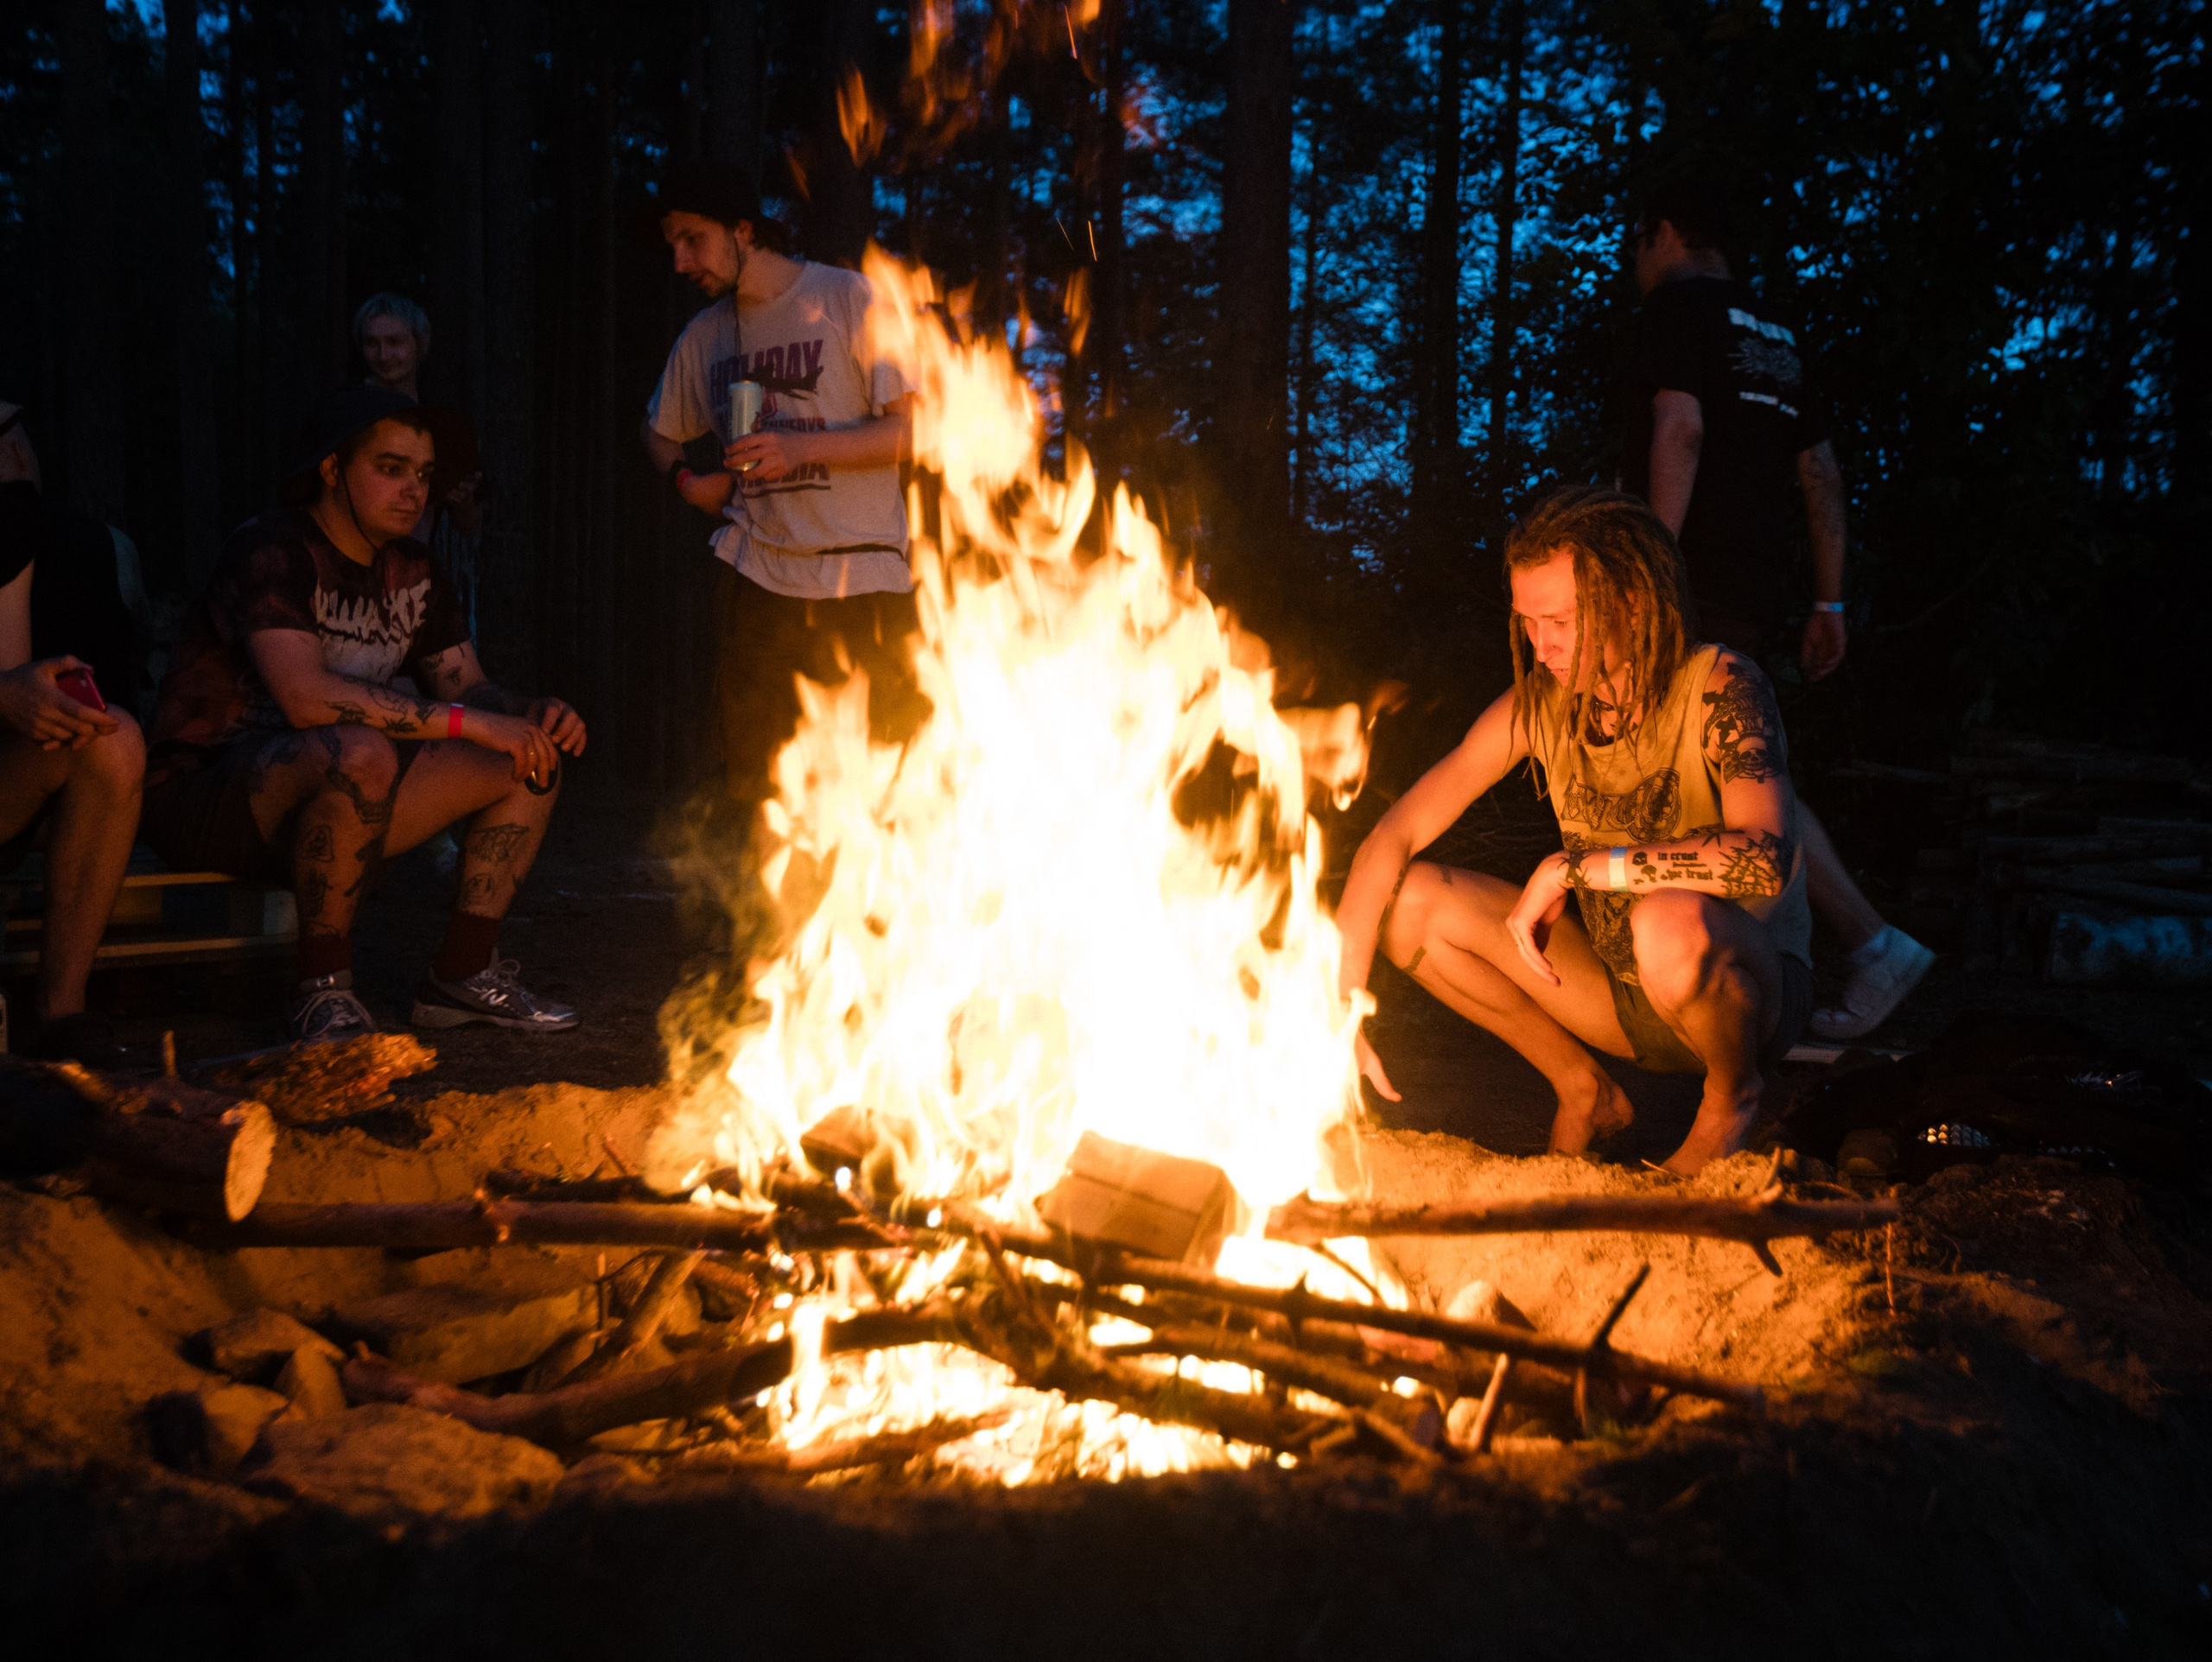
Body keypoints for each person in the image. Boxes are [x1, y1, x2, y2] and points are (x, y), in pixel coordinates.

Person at [1340, 485, 1814, 1175]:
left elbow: (1764, 857)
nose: (1543, 647)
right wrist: (1342, 1007)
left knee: (1666, 918)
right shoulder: (1541, 704)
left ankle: (1731, 1098)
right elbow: (1394, 834)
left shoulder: (1721, 685)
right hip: (1624, 997)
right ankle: (1584, 1090)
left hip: (1748, 992)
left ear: (1631, 602)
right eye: (1528, 622)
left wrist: (1577, 866)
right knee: (1410, 902)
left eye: (1561, 620)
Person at [142, 386, 586, 1043]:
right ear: (332, 469)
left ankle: (461, 975)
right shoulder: (272, 550)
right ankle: (321, 990)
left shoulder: (415, 569)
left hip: (346, 793)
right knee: (360, 750)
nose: (414, 490)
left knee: (529, 754)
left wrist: (526, 712)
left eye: (424, 474)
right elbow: (303, 697)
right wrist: (467, 721)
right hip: (206, 796)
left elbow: (468, 686)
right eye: (390, 468)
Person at [1622, 175, 1932, 1041]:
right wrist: (1828, 597)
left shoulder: (1675, 313)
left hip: (1692, 581)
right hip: (1755, 584)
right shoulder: (1777, 333)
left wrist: (1653, 569)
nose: (1634, 259)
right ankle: (1763, 966)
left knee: (1722, 775)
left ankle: (1859, 944)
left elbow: (1679, 429)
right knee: (1740, 772)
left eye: (1637, 241)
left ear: (1665, 231)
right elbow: (1820, 471)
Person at [636, 162, 926, 826]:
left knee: (882, 785)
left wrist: (800, 449)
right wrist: (688, 482)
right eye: (673, 245)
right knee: (762, 787)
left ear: (743, 230)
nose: (681, 262)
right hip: (761, 579)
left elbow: (910, 433)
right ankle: (767, 897)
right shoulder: (707, 335)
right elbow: (656, 431)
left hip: (862, 575)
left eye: (693, 240)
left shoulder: (848, 298)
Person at [0, 402, 146, 1066]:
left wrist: (27, 693)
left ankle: (63, 1013)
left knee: (109, 739)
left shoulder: (12, 521)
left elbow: (8, 668)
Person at [354, 294, 480, 543]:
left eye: (394, 342)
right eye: (372, 343)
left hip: (412, 558)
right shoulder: (350, 411)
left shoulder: (439, 421)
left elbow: (469, 526)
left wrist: (461, 498)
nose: (383, 355)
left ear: (419, 343)